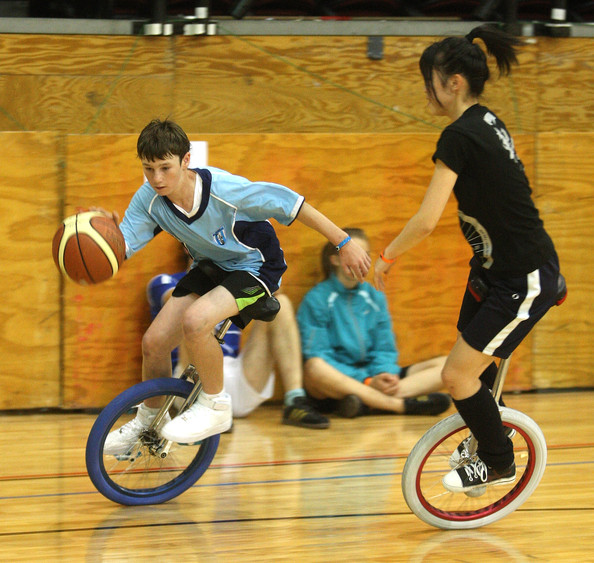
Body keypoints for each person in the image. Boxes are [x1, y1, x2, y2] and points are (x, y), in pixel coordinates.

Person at [103, 118, 370, 455]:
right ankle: (146, 422)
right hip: (212, 267)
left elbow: (292, 203)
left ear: (186, 161)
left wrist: (344, 242)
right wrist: (102, 236)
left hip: (257, 265)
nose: (156, 178)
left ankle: (215, 405)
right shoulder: (149, 199)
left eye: (165, 168)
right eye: (148, 168)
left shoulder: (224, 190)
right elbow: (122, 246)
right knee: (154, 343)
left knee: (196, 321)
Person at [373, 25, 563, 493]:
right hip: (494, 271)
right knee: (471, 360)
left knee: (455, 375)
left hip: (523, 278)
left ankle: (498, 459)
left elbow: (426, 219)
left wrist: (386, 256)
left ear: (452, 82)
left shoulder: (459, 136)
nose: (425, 91)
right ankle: (485, 435)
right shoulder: (487, 121)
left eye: (429, 81)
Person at [297, 227, 451, 418]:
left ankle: (367, 403)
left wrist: (385, 374)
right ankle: (399, 406)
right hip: (340, 382)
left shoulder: (374, 296)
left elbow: (385, 348)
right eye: (352, 254)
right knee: (314, 367)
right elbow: (317, 353)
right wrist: (368, 381)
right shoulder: (317, 299)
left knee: (448, 365)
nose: (360, 261)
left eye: (365, 255)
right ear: (334, 260)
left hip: (376, 378)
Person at [147, 270, 329, 429]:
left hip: (235, 377)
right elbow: (176, 299)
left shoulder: (233, 284)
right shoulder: (164, 281)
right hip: (189, 378)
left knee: (281, 304)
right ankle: (205, 406)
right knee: (194, 312)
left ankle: (295, 401)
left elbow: (272, 291)